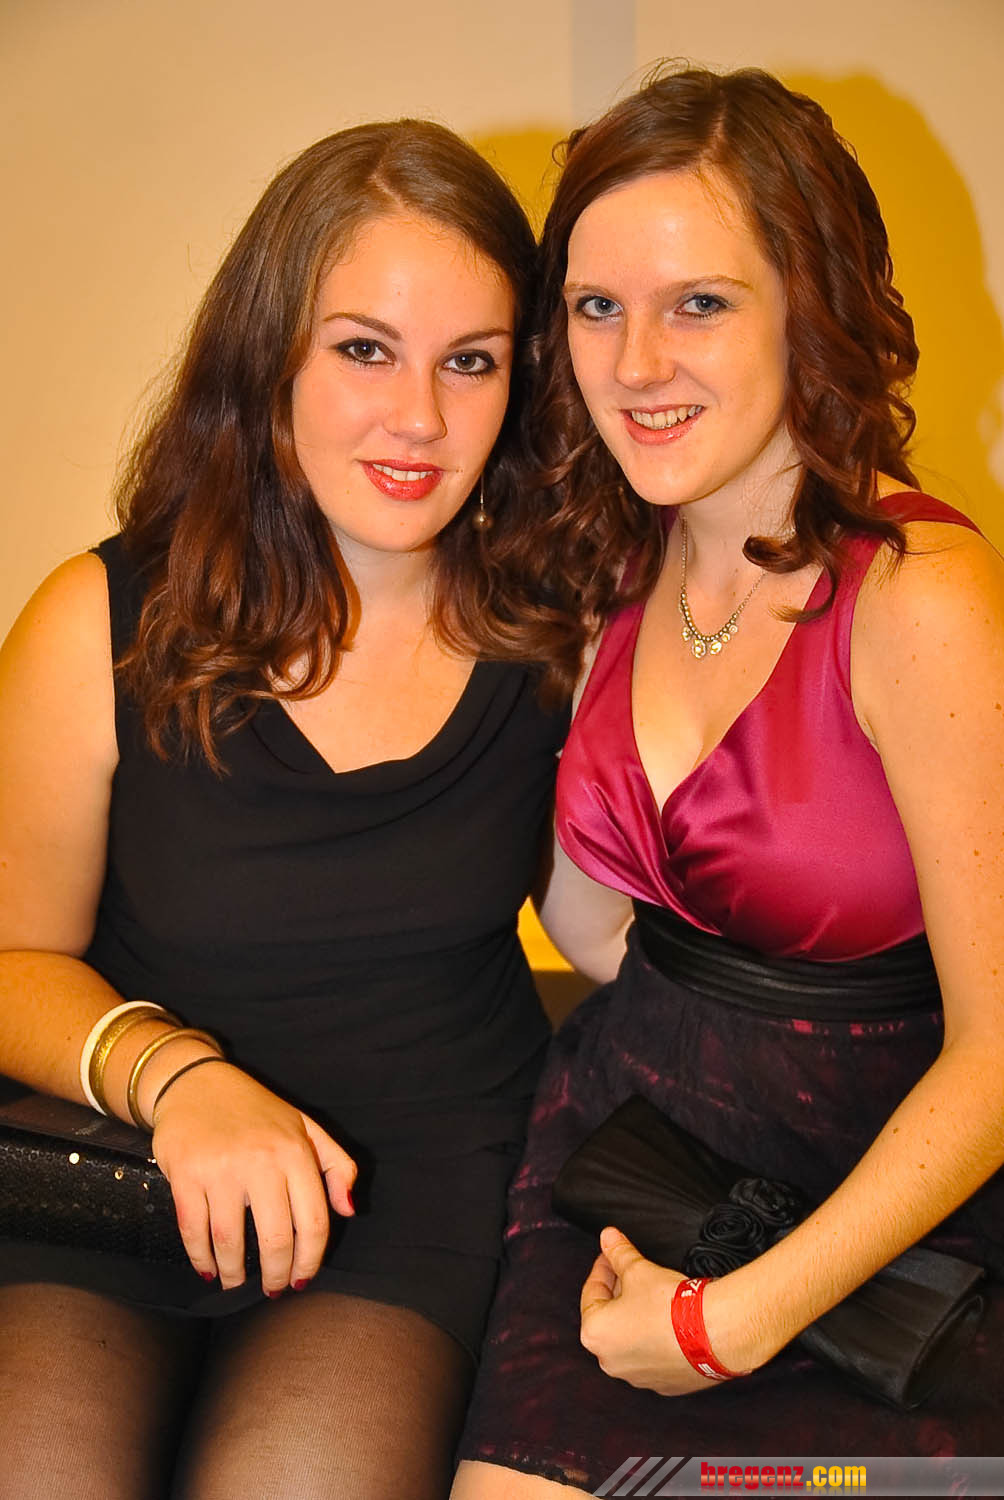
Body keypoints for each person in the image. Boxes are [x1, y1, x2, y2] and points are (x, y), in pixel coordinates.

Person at [0, 120, 579, 1500]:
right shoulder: (98, 620)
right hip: (122, 1158)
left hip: (409, 1198)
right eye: (365, 349)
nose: (420, 417)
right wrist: (182, 1082)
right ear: (271, 361)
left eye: (472, 361)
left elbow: (615, 931)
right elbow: (11, 960)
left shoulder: (564, 637)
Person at [453, 65, 1004, 1496]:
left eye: (698, 302)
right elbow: (601, 932)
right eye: (596, 307)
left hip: (897, 1224)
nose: (636, 363)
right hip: (630, 1160)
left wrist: (735, 1320)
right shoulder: (611, 569)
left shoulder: (921, 595)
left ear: (809, 306)